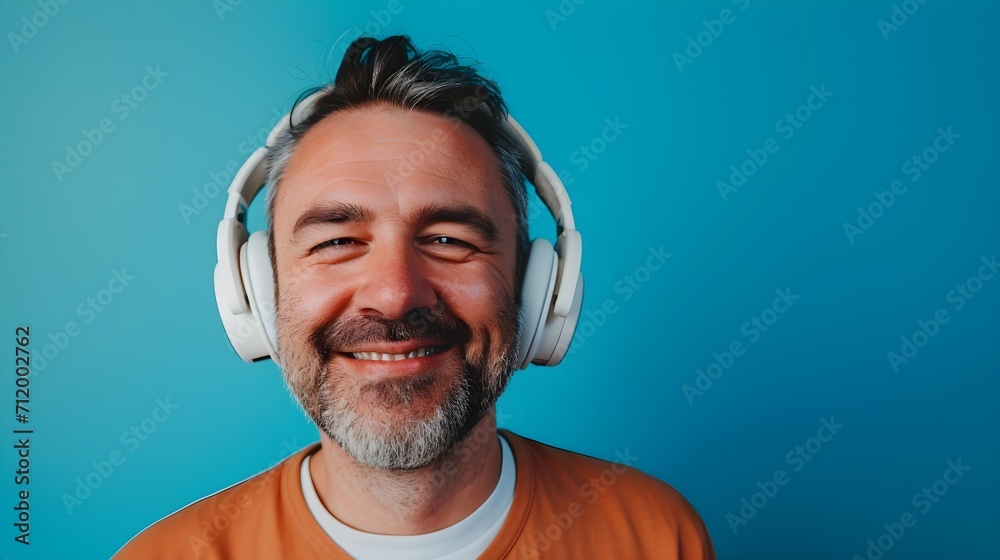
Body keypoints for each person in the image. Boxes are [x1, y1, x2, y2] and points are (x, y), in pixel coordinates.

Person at [114, 35, 714, 559]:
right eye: (339, 241)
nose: (396, 294)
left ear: (537, 287)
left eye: (449, 239)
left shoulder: (660, 536)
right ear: (258, 291)